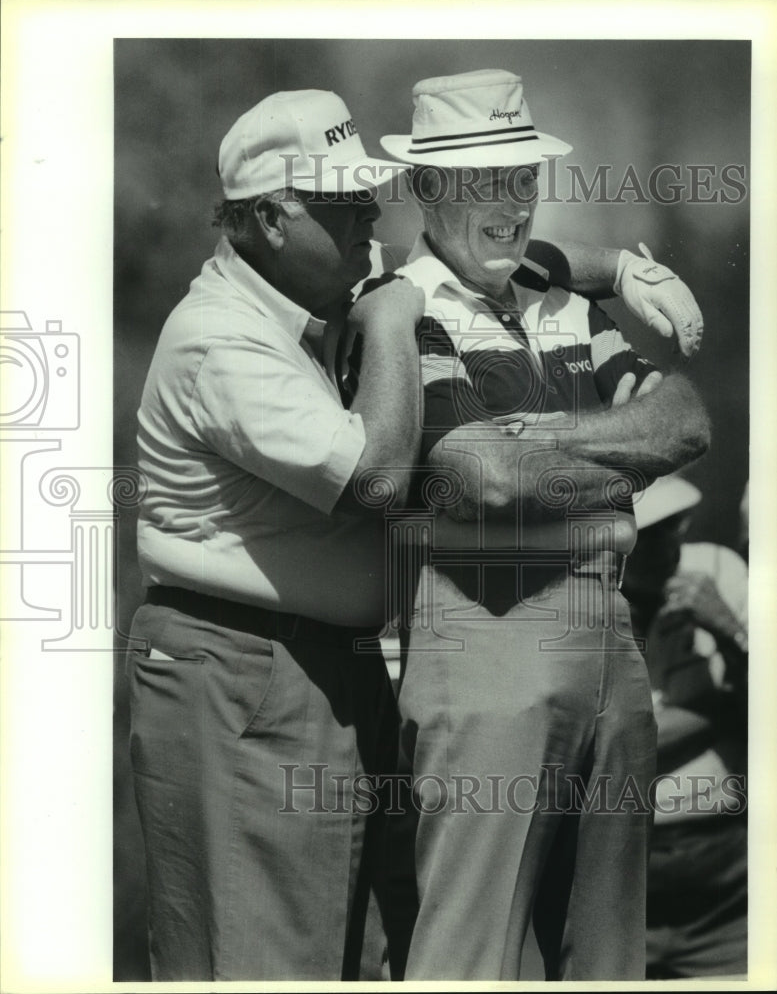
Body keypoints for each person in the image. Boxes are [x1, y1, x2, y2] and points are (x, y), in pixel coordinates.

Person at [124, 83, 706, 982]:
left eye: (368, 192)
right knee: (268, 960)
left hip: (339, 663)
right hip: (242, 663)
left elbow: (680, 420)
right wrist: (605, 464)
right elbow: (419, 477)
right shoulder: (250, 331)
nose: (370, 213)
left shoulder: (348, 284)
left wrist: (620, 272)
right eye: (346, 201)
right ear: (273, 219)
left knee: (372, 950)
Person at [380, 69, 711, 980]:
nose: (509, 203)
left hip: (610, 627)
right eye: (484, 179)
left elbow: (683, 421)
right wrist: (613, 450)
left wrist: (553, 437)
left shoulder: (564, 300)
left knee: (606, 956)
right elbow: (481, 477)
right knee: (471, 955)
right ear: (426, 189)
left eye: (522, 177)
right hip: (488, 627)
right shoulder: (402, 308)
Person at [624, 474, 748, 979]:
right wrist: (713, 714)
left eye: (672, 525)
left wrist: (728, 629)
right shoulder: (587, 601)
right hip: (625, 872)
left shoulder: (717, 569)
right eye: (646, 532)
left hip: (722, 876)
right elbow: (600, 747)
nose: (665, 543)